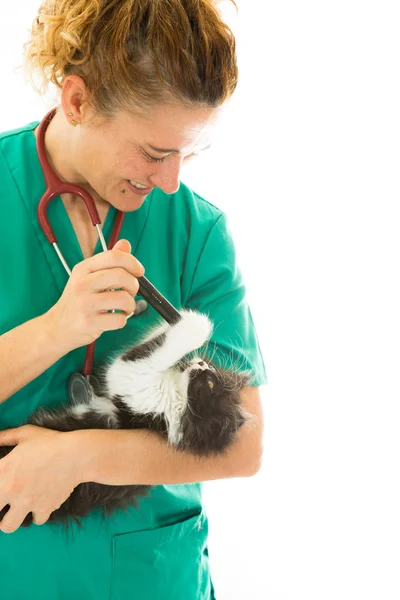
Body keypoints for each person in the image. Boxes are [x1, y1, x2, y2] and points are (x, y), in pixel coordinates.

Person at [0, 0, 267, 597]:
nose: (172, 180)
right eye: (153, 152)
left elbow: (244, 443)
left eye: (188, 153)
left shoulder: (197, 230)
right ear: (77, 100)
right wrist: (59, 328)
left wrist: (81, 458)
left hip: (148, 577)